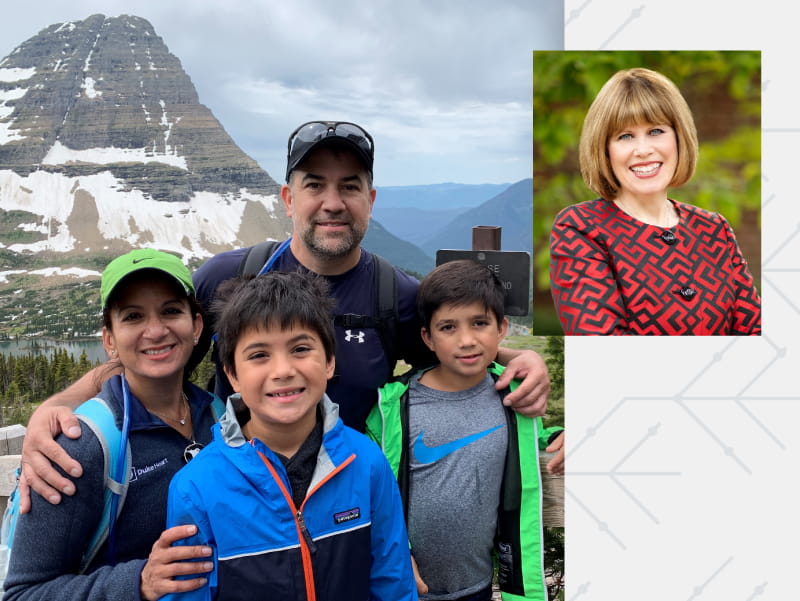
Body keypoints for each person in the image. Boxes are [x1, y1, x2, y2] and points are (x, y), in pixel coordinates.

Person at [17, 120, 550, 509]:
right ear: (287, 198)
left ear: (371, 199)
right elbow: (154, 352)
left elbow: (455, 354)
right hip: (235, 507)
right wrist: (59, 404)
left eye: (349, 186)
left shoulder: (397, 294)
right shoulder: (227, 277)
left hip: (348, 509)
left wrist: (516, 358)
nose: (332, 202)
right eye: (315, 184)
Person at [163, 271, 417, 601]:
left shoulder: (366, 463)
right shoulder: (196, 488)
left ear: (329, 361)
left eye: (300, 348)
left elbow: (392, 583)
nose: (283, 370)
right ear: (232, 375)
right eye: (259, 355)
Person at [3, 249, 221, 601]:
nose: (155, 330)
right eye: (133, 317)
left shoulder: (219, 418)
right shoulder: (81, 445)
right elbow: (23, 593)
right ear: (109, 340)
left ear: (195, 326)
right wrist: (138, 582)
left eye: (171, 311)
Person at [366, 260, 564, 601]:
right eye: (448, 327)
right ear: (427, 337)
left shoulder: (514, 398)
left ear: (501, 328)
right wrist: (392, 558)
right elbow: (367, 491)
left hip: (478, 589)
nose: (467, 340)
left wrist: (567, 437)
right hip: (403, 587)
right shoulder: (391, 409)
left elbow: (534, 443)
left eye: (479, 323)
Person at [549, 68, 762, 335]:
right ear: (604, 150)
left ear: (679, 138)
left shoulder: (715, 229)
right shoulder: (581, 228)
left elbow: (755, 332)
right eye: (625, 136)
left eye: (656, 131)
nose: (643, 150)